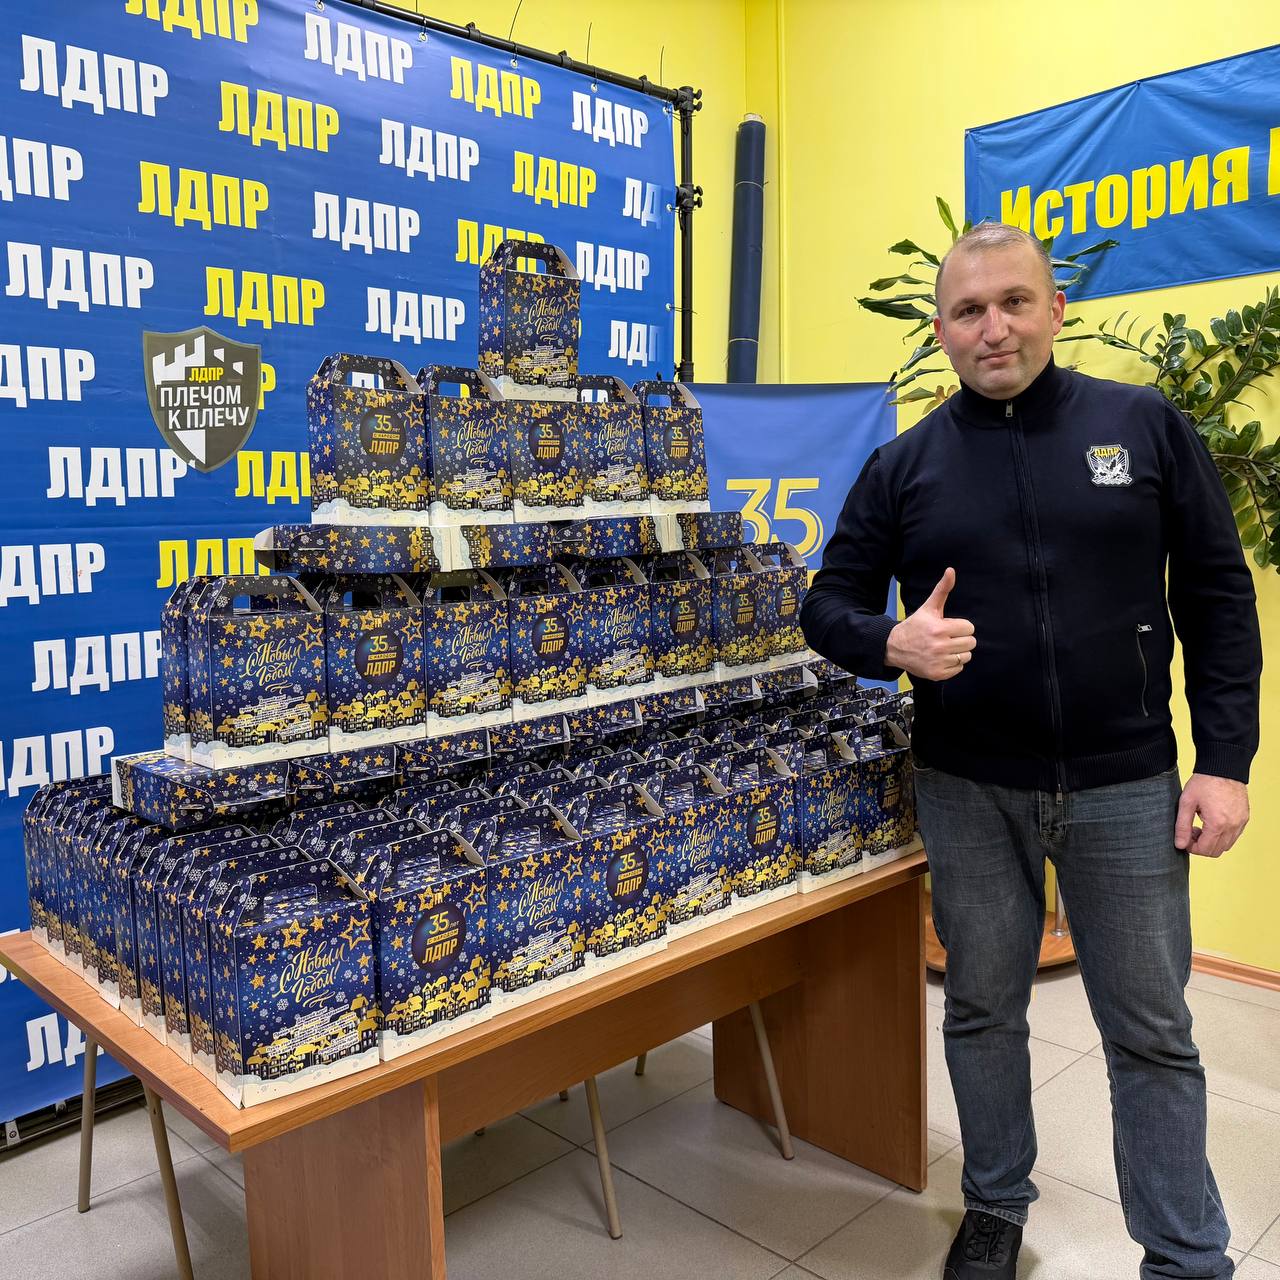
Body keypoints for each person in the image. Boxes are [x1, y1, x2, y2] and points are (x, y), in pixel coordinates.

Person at [799, 222, 1262, 1280]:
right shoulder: (904, 465)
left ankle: (1185, 1255)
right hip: (966, 787)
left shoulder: (1140, 427)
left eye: (1013, 301)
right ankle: (995, 1208)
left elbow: (1215, 595)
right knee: (980, 1010)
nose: (993, 327)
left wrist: (1224, 760)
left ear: (1055, 309)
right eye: (968, 310)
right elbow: (827, 603)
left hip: (1126, 786)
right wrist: (891, 642)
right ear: (941, 330)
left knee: (1151, 1030)